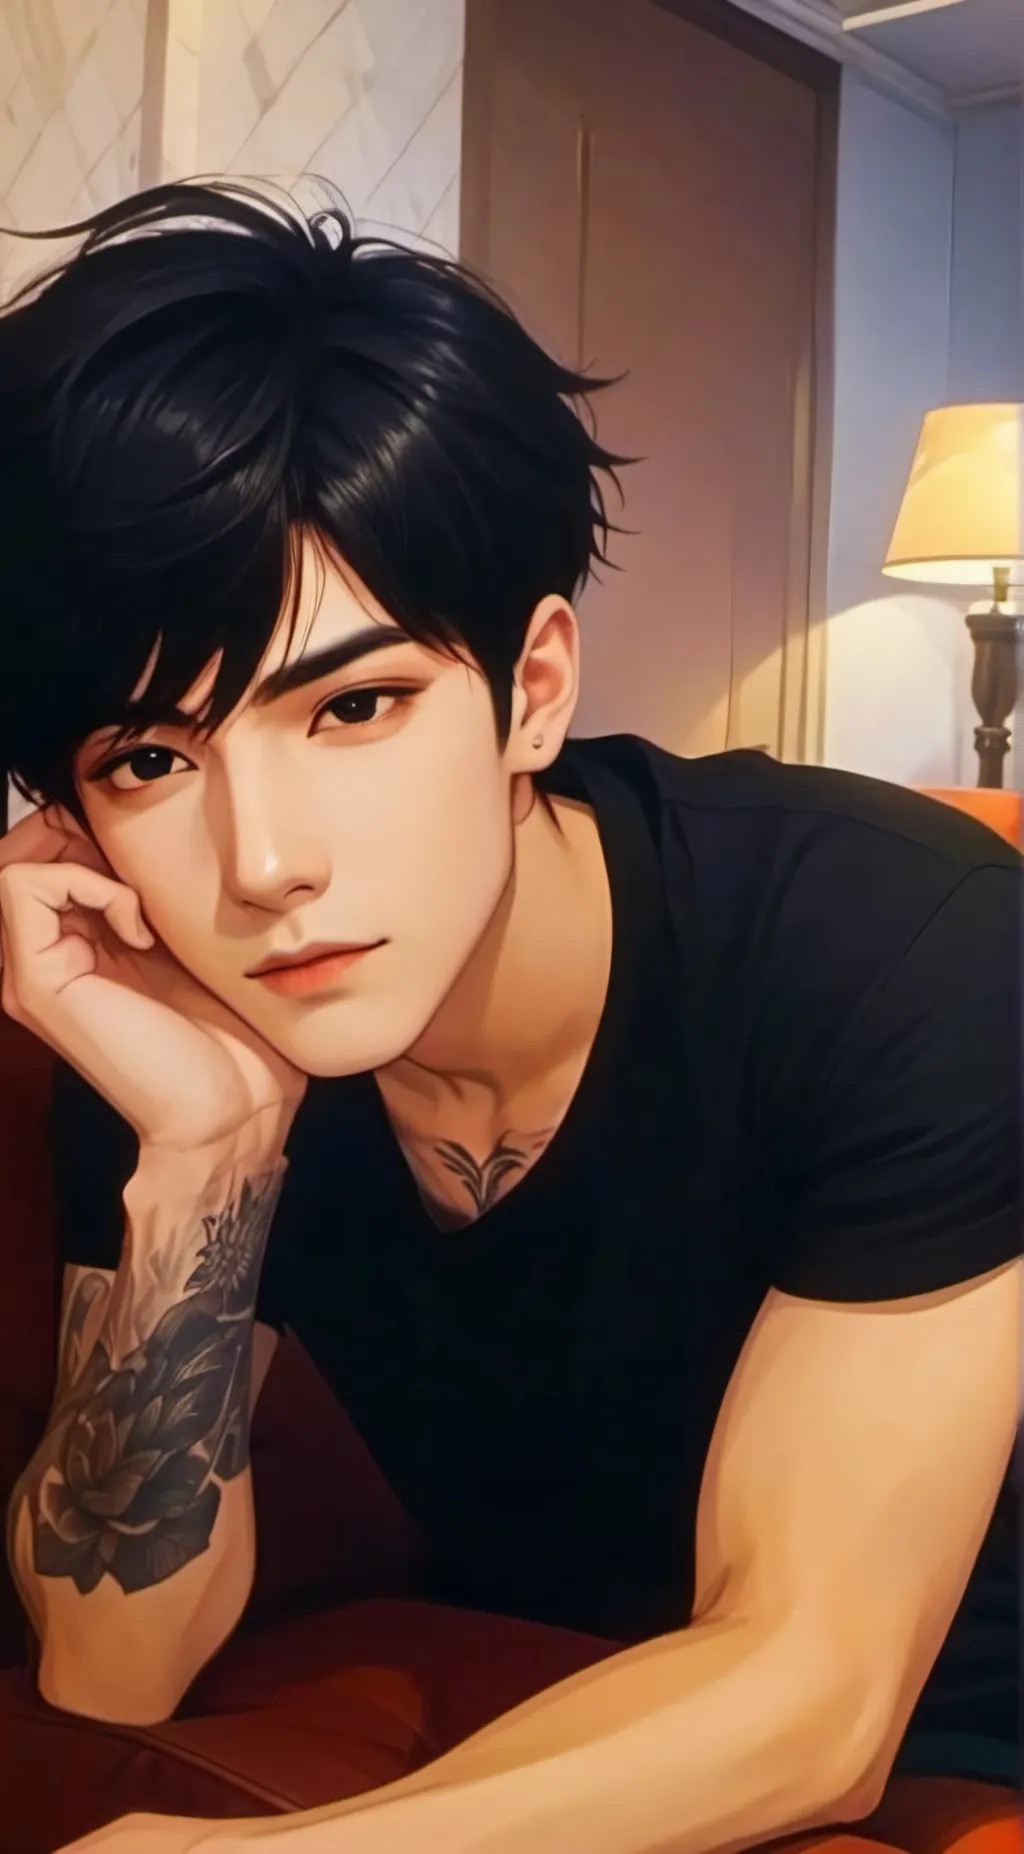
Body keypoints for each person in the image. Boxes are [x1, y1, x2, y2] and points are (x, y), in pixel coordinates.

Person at [0, 182, 1018, 1854]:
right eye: (153, 758)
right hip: (560, 1728)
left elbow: (813, 1692)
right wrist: (203, 1158)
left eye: (356, 705)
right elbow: (110, 1667)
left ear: (532, 687)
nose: (266, 864)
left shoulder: (899, 942)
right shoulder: (177, 1030)